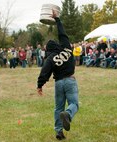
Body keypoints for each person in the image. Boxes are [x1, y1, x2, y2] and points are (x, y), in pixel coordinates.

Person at [37, 10, 79, 140]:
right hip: (70, 81)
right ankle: (68, 114)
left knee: (58, 108)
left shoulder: (50, 58)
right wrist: (57, 20)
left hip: (59, 83)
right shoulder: (66, 47)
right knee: (74, 104)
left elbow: (45, 71)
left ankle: (59, 132)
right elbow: (62, 34)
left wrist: (40, 85)